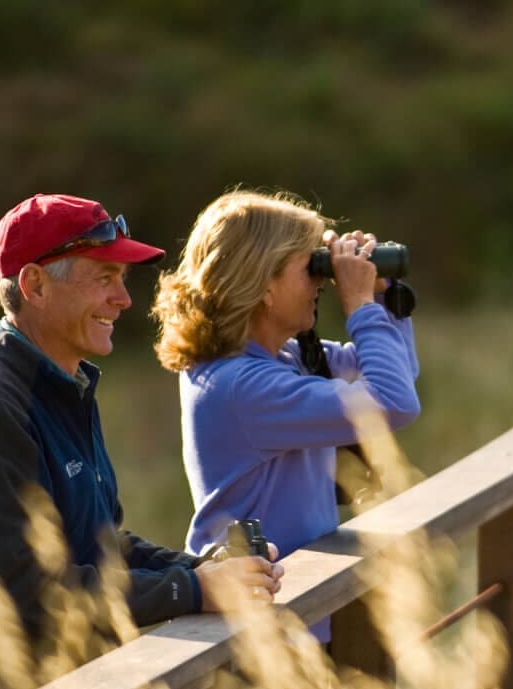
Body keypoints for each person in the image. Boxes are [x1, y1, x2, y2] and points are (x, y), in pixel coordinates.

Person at [0, 193, 281, 689]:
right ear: (35, 285)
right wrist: (194, 590)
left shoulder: (64, 384)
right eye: (104, 278)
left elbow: (101, 545)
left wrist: (202, 570)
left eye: (122, 280)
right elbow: (29, 597)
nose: (124, 300)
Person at [149, 189, 420, 580]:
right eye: (309, 267)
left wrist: (383, 294)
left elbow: (398, 374)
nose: (321, 282)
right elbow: (394, 402)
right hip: (268, 620)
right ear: (264, 285)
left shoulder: (278, 357)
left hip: (299, 604)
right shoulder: (243, 386)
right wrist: (359, 305)